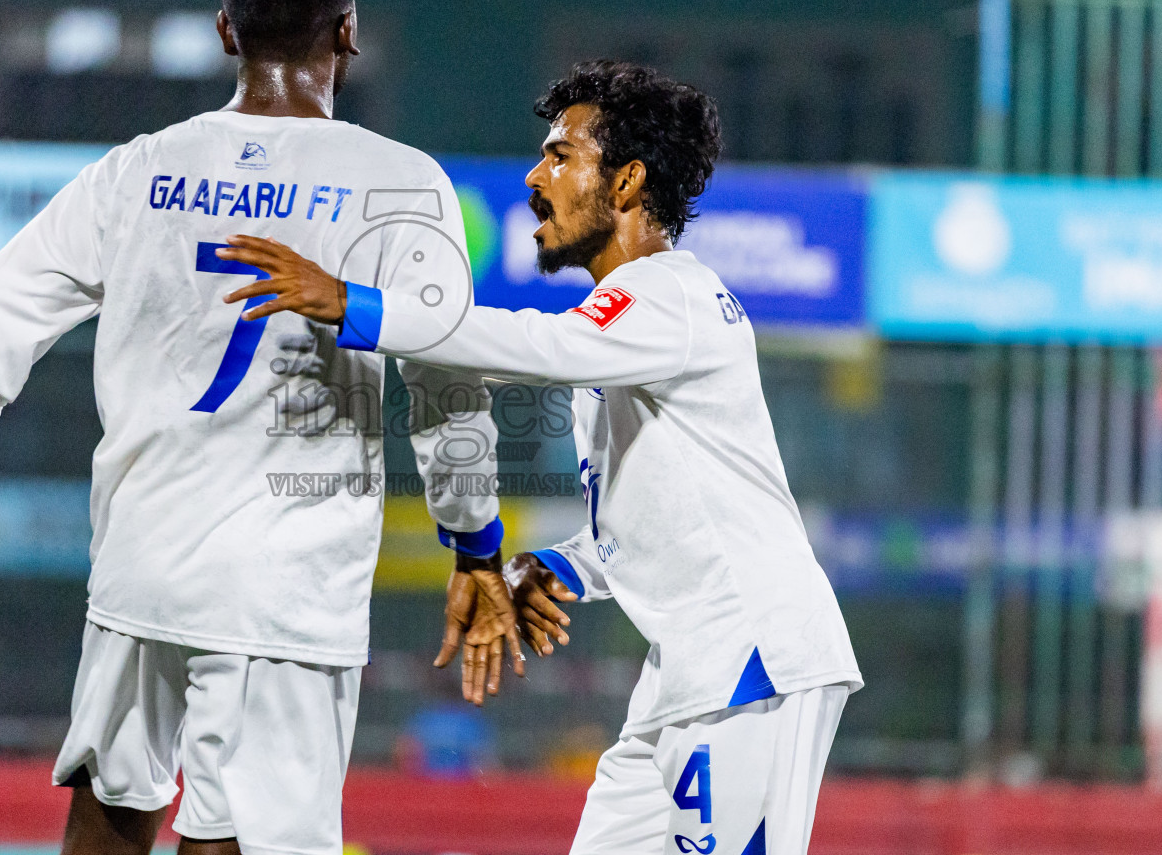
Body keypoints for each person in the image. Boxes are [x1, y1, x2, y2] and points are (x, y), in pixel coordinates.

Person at [0, 0, 522, 855]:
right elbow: (449, 384)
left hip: (139, 568)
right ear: (349, 31)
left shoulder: (138, 171)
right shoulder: (402, 185)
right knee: (244, 837)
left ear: (226, 31)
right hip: (284, 588)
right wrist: (475, 550)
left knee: (110, 815)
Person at [215, 60, 863, 855]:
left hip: (753, 662)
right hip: (686, 677)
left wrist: (357, 304)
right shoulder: (628, 327)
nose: (535, 176)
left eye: (560, 156)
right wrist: (554, 568)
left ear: (624, 182)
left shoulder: (669, 296)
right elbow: (656, 517)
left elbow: (536, 345)